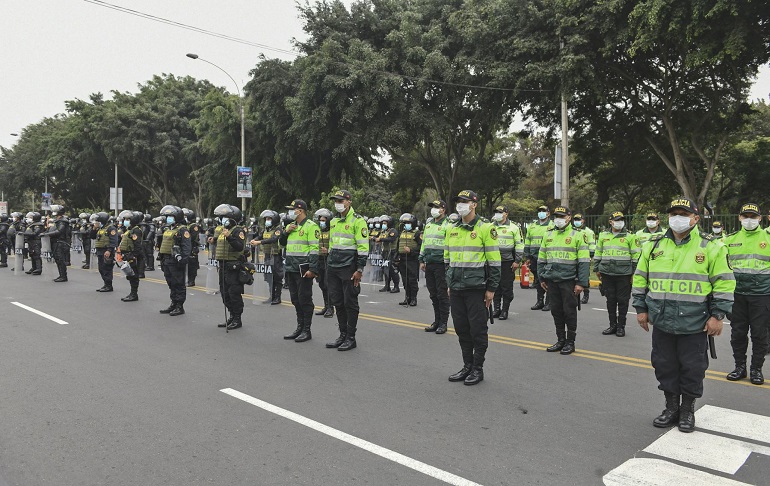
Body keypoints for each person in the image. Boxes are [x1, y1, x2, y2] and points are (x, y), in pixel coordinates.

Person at [633, 197, 734, 433]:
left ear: (696, 218)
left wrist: (718, 315)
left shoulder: (712, 246)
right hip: (662, 320)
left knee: (692, 367)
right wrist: (640, 309)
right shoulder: (654, 245)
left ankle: (687, 410)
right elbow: (640, 278)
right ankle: (671, 408)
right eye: (674, 214)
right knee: (664, 365)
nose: (677, 218)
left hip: (696, 322)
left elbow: (724, 284)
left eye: (684, 214)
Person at [444, 190, 500, 385]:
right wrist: (450, 283)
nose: (460, 204)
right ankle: (467, 365)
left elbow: (494, 262)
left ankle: (478, 368)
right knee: (461, 329)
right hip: (457, 287)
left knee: (477, 330)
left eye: (464, 201)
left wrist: (491, 289)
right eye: (458, 201)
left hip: (476, 287)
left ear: (474, 204)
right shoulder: (452, 228)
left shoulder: (486, 228)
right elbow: (447, 259)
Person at [723, 203, 769, 385]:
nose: (749, 219)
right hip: (737, 295)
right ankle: (739, 367)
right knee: (738, 333)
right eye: (746, 216)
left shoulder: (768, 238)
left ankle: (756, 369)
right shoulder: (729, 240)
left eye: (753, 216)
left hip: (762, 295)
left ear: (760, 218)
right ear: (739, 218)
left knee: (760, 334)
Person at [537, 206, 590, 355]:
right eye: (556, 216)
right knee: (556, 311)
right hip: (552, 279)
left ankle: (570, 342)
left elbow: (584, 261)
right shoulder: (549, 234)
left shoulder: (578, 235)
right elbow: (542, 258)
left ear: (569, 217)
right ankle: (560, 340)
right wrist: (542, 278)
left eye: (561, 216)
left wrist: (581, 283)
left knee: (569, 311)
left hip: (569, 280)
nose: (558, 219)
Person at [325, 190, 369, 351]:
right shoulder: (334, 221)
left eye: (341, 200)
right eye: (336, 200)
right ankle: (342, 334)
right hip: (334, 266)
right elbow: (332, 244)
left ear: (349, 202)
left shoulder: (358, 221)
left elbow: (363, 247)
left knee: (350, 302)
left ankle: (351, 337)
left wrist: (359, 269)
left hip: (349, 267)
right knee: (337, 301)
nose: (338, 203)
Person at [593, 211, 640, 337]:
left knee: (623, 301)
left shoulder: (630, 236)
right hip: (607, 273)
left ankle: (621, 327)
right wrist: (597, 269)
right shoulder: (603, 235)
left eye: (621, 220)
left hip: (624, 274)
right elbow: (598, 253)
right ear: (610, 222)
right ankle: (612, 325)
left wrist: (634, 273)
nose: (619, 222)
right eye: (617, 220)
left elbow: (636, 256)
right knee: (610, 300)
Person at [279, 199, 320, 342]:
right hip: (291, 267)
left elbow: (315, 249)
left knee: (305, 299)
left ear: (300, 210)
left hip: (303, 269)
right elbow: (281, 244)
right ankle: (299, 327)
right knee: (295, 299)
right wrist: (285, 232)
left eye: (292, 209)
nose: (290, 212)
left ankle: (306, 330)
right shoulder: (291, 226)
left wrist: (313, 269)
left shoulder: (311, 226)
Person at [213, 204, 247, 330]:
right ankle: (231, 315)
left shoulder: (238, 230)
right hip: (223, 266)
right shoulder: (223, 230)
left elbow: (239, 246)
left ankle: (237, 318)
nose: (222, 220)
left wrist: (230, 237)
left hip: (233, 266)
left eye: (224, 217)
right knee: (224, 293)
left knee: (234, 293)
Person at [419, 200, 450, 333]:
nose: (434, 210)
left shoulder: (449, 224)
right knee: (433, 294)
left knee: (442, 294)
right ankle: (436, 321)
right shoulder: (429, 224)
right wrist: (421, 259)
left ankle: (443, 322)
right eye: (433, 207)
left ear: (443, 209)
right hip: (430, 263)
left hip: (441, 264)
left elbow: (449, 245)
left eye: (437, 207)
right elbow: (424, 243)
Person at [491, 205, 524, 320]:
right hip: (493, 261)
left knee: (506, 287)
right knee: (495, 285)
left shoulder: (514, 227)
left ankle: (505, 310)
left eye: (500, 212)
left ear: (506, 214)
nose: (498, 214)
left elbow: (519, 244)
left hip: (507, 262)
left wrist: (517, 261)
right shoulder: (491, 226)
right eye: (496, 212)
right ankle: (496, 309)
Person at [157, 205, 192, 316]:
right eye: (167, 216)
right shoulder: (168, 229)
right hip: (166, 260)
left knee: (178, 283)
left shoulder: (182, 230)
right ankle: (173, 302)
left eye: (170, 216)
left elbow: (186, 247)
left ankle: (179, 306)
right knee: (171, 283)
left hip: (176, 261)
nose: (168, 218)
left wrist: (183, 260)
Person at [251, 210, 285, 305]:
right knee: (268, 276)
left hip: (275, 255)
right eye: (266, 219)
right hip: (267, 255)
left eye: (269, 219)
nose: (267, 220)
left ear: (274, 220)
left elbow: (273, 239)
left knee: (277, 277)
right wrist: (254, 240)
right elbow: (260, 236)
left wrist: (260, 242)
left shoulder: (278, 230)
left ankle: (277, 297)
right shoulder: (266, 229)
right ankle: (271, 295)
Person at [525, 205, 553, 311]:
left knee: (548, 279)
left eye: (543, 211)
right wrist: (527, 256)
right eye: (539, 211)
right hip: (535, 256)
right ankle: (540, 301)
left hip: (547, 257)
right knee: (538, 279)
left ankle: (549, 302)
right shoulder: (532, 226)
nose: (541, 212)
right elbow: (527, 242)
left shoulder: (552, 225)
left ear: (548, 213)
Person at [116, 210, 145, 302]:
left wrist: (133, 256)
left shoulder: (136, 230)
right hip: (127, 255)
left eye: (128, 219)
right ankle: (132, 293)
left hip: (132, 256)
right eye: (125, 219)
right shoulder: (129, 230)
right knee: (130, 275)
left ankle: (134, 294)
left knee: (133, 275)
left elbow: (137, 245)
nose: (126, 221)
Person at [396, 213, 422, 306]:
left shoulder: (417, 233)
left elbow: (420, 247)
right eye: (405, 223)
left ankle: (413, 299)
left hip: (412, 259)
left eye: (408, 223)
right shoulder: (402, 233)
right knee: (405, 280)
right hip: (402, 259)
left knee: (412, 280)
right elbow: (398, 245)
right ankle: (407, 297)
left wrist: (411, 251)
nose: (406, 224)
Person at [314, 208, 334, 318]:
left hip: (328, 260)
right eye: (320, 220)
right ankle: (326, 306)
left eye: (323, 220)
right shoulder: (317, 232)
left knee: (328, 284)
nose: (321, 222)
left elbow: (336, 246)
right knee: (321, 284)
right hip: (319, 260)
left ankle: (331, 308)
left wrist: (328, 251)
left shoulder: (332, 232)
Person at [89, 212, 118, 291]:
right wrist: (94, 228)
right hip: (100, 250)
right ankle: (105, 284)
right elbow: (92, 236)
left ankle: (109, 285)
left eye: (98, 221)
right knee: (101, 268)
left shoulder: (111, 228)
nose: (96, 222)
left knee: (107, 268)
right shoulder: (100, 229)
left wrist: (109, 250)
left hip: (107, 250)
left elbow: (114, 240)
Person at [572, 213, 595, 304]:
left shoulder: (589, 232)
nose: (577, 222)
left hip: (584, 257)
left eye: (579, 220)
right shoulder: (571, 231)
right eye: (575, 220)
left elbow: (592, 246)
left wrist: (589, 256)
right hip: (573, 258)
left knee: (584, 276)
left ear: (583, 220)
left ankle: (586, 294)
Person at [44, 205, 70, 282]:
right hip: (56, 242)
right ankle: (61, 275)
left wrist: (48, 234)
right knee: (58, 259)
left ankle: (63, 276)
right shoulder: (57, 221)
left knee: (60, 259)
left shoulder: (62, 221)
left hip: (60, 242)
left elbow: (59, 231)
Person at [377, 215, 400, 294]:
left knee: (392, 270)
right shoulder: (383, 231)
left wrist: (380, 239)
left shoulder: (393, 231)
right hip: (385, 252)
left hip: (392, 252)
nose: (383, 224)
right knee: (385, 269)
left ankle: (396, 286)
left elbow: (390, 239)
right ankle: (387, 286)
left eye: (385, 223)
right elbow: (378, 237)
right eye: (382, 223)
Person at [183, 208, 201, 286]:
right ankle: (189, 279)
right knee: (188, 264)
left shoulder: (194, 226)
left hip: (192, 247)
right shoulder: (187, 226)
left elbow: (193, 237)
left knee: (192, 265)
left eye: (186, 216)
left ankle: (192, 280)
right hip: (188, 247)